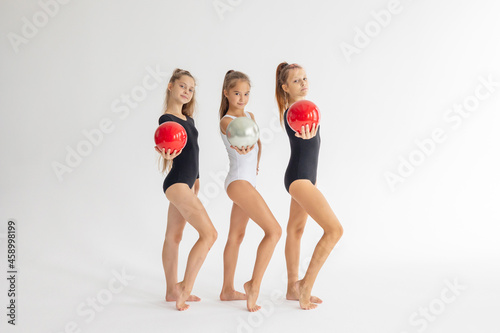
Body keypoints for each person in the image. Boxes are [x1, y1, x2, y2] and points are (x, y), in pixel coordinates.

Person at [275, 62, 343, 310]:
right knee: (334, 230)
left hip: (303, 178)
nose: (303, 83)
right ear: (285, 87)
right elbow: (297, 128)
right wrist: (301, 133)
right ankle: (305, 286)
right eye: (296, 81)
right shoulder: (294, 111)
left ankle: (292, 287)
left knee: (296, 230)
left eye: (304, 79)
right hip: (299, 179)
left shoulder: (306, 109)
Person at [219, 70, 282, 312]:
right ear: (226, 93)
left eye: (246, 93)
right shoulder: (225, 121)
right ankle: (253, 285)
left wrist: (255, 160)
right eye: (237, 93)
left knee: (236, 236)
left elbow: (256, 143)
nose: (242, 98)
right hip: (238, 183)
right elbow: (236, 136)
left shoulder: (250, 115)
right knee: (274, 231)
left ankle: (226, 289)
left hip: (248, 182)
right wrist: (242, 147)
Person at [155, 68, 218, 311]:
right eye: (182, 86)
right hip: (177, 183)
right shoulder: (167, 120)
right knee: (210, 234)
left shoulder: (188, 120)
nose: (187, 92)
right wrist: (166, 151)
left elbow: (194, 151)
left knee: (174, 236)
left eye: (191, 89)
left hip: (186, 184)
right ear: (170, 86)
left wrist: (198, 178)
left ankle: (172, 290)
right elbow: (167, 144)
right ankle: (184, 290)